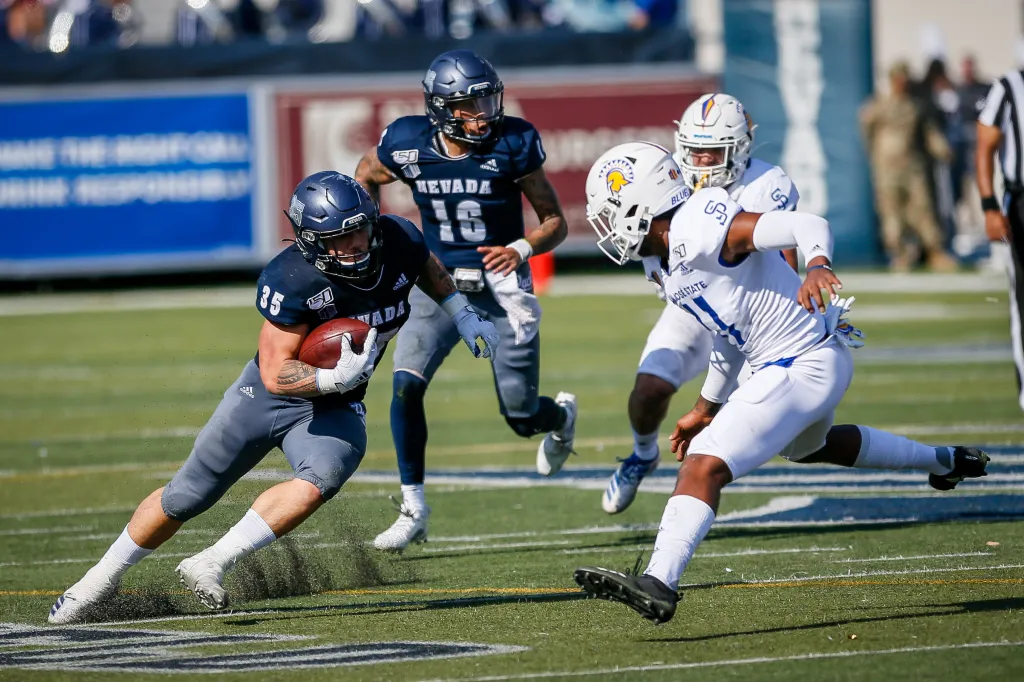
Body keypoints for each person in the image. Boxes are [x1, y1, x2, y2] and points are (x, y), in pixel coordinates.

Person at [47, 172, 499, 624]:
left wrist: (460, 312)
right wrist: (330, 378)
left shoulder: (398, 238)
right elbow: (275, 373)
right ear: (310, 240)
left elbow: (425, 265)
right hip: (268, 397)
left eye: (361, 229)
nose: (355, 244)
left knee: (327, 472)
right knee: (188, 494)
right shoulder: (293, 278)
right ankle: (97, 580)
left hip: (336, 404)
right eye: (339, 238)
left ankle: (212, 560)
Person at [572, 142, 990, 624]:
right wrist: (706, 406)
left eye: (610, 212)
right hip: (795, 359)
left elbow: (806, 224)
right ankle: (945, 461)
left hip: (800, 360)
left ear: (641, 204)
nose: (606, 226)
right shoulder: (661, 259)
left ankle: (659, 582)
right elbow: (728, 332)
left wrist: (817, 265)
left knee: (703, 464)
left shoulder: (698, 224)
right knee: (811, 447)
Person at [355, 49, 576, 552]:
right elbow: (365, 174)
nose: (483, 114)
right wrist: (375, 235)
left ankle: (560, 419)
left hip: (502, 288)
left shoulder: (513, 142)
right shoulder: (407, 142)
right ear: (441, 108)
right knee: (405, 386)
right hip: (437, 283)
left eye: (487, 100)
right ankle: (413, 509)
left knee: (521, 416)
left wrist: (521, 248)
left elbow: (555, 222)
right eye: (470, 105)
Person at [601, 93, 800, 515]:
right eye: (694, 150)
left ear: (740, 148)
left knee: (768, 430)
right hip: (693, 304)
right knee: (648, 389)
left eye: (713, 152)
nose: (702, 162)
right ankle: (641, 455)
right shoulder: (669, 178)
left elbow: (786, 257)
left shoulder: (767, 184)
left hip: (752, 309)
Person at [860, 62, 958, 272]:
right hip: (887, 169)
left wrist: (942, 149)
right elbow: (866, 129)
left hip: (913, 166)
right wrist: (875, 155)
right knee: (892, 213)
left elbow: (929, 132)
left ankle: (934, 251)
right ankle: (900, 254)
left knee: (923, 208)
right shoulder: (880, 105)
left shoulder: (916, 105)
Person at [976, 67, 1024, 412]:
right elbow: (984, 146)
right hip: (1021, 202)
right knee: (1022, 300)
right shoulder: (1010, 86)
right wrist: (989, 205)